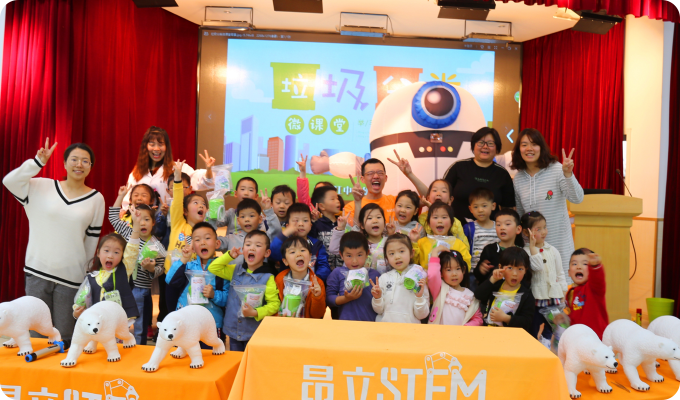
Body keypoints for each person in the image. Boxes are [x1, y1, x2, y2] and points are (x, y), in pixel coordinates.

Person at [3, 139, 105, 340]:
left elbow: (91, 243)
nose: (79, 164)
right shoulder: (41, 186)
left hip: (71, 279)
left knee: (65, 336)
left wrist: (84, 277)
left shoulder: (96, 199)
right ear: (64, 163)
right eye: (74, 159)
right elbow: (9, 181)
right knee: (36, 334)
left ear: (90, 167)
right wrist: (37, 163)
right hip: (37, 272)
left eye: (85, 161)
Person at [511, 128, 584, 280]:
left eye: (534, 144)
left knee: (560, 287)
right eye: (524, 145)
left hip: (559, 245)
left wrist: (568, 174)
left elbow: (577, 198)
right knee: (538, 287)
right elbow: (520, 214)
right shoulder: (518, 178)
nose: (529, 148)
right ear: (519, 149)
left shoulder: (557, 169)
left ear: (541, 147)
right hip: (533, 249)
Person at [210, 230, 281, 351]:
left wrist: (255, 312)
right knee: (236, 360)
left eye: (258, 245)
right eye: (248, 244)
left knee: (250, 361)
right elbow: (213, 268)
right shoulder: (235, 270)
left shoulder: (268, 277)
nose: (252, 248)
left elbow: (274, 304)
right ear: (243, 250)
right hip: (233, 330)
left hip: (254, 332)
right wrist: (229, 256)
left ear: (267, 253)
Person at [108, 199, 166, 344]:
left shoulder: (157, 246)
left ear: (153, 222)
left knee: (139, 326)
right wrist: (121, 195)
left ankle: (140, 348)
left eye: (147, 219)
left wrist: (151, 269)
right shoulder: (129, 233)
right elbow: (113, 218)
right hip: (122, 286)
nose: (142, 223)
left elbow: (161, 268)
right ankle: (118, 347)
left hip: (141, 289)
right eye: (139, 219)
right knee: (120, 321)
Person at [166, 222, 229, 344]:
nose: (203, 242)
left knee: (212, 354)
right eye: (197, 239)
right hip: (186, 323)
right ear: (193, 247)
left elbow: (228, 299)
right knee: (186, 353)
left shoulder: (222, 270)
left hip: (212, 325)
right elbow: (170, 280)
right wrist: (184, 259)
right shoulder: (187, 266)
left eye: (207, 238)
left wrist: (214, 295)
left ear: (217, 244)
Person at [122, 126, 215, 209]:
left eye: (160, 144)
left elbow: (203, 181)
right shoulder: (136, 173)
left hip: (171, 220)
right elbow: (128, 201)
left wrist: (209, 169)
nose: (156, 149)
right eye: (152, 144)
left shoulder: (177, 167)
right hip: (143, 221)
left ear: (166, 147)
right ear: (145, 147)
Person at [387, 153, 468, 247]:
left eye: (443, 191)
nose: (438, 193)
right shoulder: (421, 219)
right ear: (428, 197)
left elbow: (464, 246)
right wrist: (409, 173)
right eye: (435, 190)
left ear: (450, 200)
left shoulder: (456, 223)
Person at [442, 127, 516, 222]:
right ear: (473, 145)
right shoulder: (458, 167)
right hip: (456, 227)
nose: (485, 146)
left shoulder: (502, 174)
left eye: (490, 143)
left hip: (490, 230)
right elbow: (441, 195)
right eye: (481, 142)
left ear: (497, 148)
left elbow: (508, 209)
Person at [521, 211, 568, 341]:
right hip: (536, 298)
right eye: (538, 229)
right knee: (533, 328)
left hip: (553, 298)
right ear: (526, 232)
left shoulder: (552, 250)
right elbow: (537, 266)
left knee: (553, 329)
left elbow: (560, 272)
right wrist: (532, 246)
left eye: (545, 227)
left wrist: (563, 290)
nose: (544, 232)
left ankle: (548, 346)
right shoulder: (525, 252)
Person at [72, 232, 139, 321]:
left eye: (116, 252)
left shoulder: (124, 271)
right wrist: (76, 313)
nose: (110, 256)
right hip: (97, 322)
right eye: (106, 250)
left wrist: (136, 228)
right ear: (98, 253)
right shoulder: (91, 278)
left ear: (122, 256)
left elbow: (132, 251)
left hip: (118, 322)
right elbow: (81, 300)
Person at [371, 234, 430, 324]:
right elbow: (378, 310)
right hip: (385, 329)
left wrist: (419, 297)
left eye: (401, 251)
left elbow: (422, 315)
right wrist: (377, 298)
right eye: (392, 253)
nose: (397, 257)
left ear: (411, 253)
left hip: (409, 329)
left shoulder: (418, 278)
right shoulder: (383, 278)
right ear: (386, 258)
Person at [475, 247, 535, 333]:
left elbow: (527, 322)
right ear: (500, 267)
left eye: (520, 269)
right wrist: (492, 280)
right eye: (510, 268)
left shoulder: (526, 295)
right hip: (488, 333)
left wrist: (506, 318)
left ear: (526, 270)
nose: (515, 274)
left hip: (510, 336)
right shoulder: (496, 285)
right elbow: (478, 295)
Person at [325, 232, 381, 321]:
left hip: (370, 324)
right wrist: (346, 298)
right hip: (346, 324)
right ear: (341, 255)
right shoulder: (337, 273)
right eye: (349, 256)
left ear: (367, 253)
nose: (354, 261)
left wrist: (378, 296)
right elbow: (329, 299)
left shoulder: (375, 275)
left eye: (359, 255)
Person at [428, 250, 483, 326]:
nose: (454, 274)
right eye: (448, 270)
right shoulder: (439, 289)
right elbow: (433, 275)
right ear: (441, 272)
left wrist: (465, 328)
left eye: (458, 268)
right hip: (438, 333)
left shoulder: (470, 296)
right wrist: (435, 252)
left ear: (463, 270)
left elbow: (478, 319)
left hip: (459, 333)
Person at [275, 236, 326, 319]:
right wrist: (280, 317)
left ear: (310, 257)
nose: (299, 254)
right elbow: (274, 306)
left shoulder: (317, 283)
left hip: (306, 325)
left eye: (302, 250)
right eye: (292, 252)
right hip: (284, 324)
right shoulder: (280, 280)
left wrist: (317, 296)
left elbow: (318, 315)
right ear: (285, 261)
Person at [415, 201, 471, 270]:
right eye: (435, 217)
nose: (440, 221)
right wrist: (414, 242)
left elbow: (467, 265)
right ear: (429, 223)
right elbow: (413, 263)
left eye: (444, 217)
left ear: (451, 222)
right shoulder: (421, 242)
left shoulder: (459, 244)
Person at [565, 249, 608, 339]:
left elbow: (598, 280)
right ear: (569, 272)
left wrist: (595, 266)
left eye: (585, 264)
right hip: (577, 338)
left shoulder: (594, 288)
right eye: (574, 264)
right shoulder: (570, 292)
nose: (579, 267)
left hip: (596, 339)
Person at [474, 209, 524, 285]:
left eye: (507, 224)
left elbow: (526, 277)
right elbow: (479, 277)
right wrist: (481, 270)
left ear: (518, 229)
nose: (502, 227)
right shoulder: (489, 249)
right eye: (498, 225)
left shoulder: (521, 252)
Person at [344, 158, 396, 222]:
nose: (376, 176)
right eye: (370, 173)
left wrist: (407, 173)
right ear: (363, 179)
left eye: (380, 173)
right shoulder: (350, 207)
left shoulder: (396, 202)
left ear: (385, 178)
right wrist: (358, 203)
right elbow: (354, 228)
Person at [464, 188, 499, 277]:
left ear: (493, 206)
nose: (480, 210)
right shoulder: (469, 228)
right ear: (470, 209)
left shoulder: (499, 227)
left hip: (495, 273)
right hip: (473, 273)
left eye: (484, 206)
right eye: (476, 207)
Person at [309, 185, 344, 271]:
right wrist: (313, 222)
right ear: (321, 206)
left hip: (342, 271)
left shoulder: (342, 223)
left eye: (337, 198)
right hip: (322, 271)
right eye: (333, 199)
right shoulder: (317, 224)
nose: (337, 201)